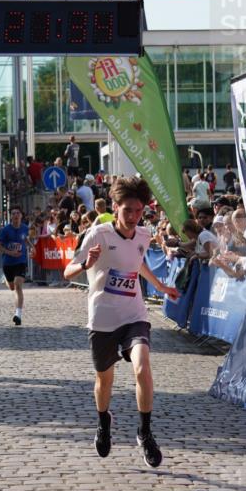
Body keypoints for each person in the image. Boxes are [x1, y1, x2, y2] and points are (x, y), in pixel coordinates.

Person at [63, 176, 179, 468]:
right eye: (128, 210)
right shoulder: (98, 235)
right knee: (104, 379)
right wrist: (86, 264)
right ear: (115, 207)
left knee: (143, 366)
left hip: (133, 316)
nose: (133, 217)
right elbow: (68, 271)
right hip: (102, 318)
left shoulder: (143, 235)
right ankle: (104, 421)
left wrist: (160, 286)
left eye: (139, 211)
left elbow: (137, 261)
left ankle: (145, 431)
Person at [0, 206, 29, 326]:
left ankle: (18, 315)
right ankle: (4, 279)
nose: (15, 215)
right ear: (11, 216)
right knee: (11, 287)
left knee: (18, 286)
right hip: (8, 263)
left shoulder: (25, 228)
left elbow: (25, 239)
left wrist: (33, 247)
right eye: (13, 213)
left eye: (17, 213)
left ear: (21, 215)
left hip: (21, 261)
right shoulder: (5, 230)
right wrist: (10, 252)